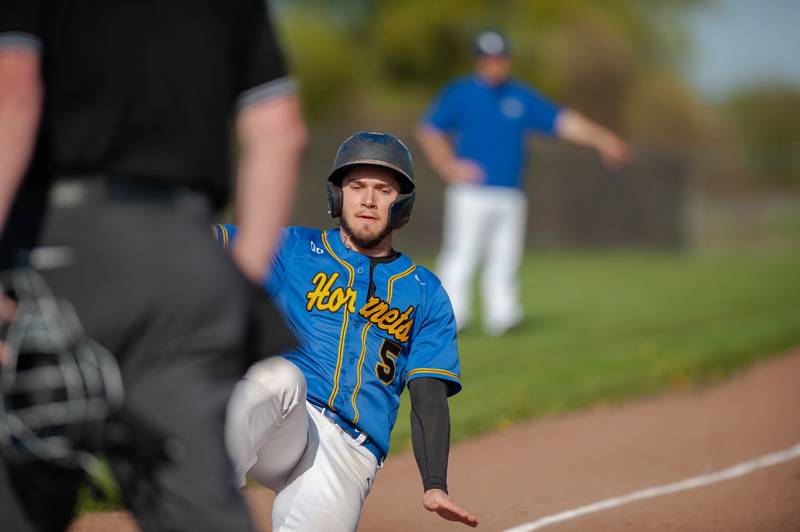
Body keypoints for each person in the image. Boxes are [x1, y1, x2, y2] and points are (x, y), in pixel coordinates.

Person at [0, 1, 306, 531]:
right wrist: (243, 280)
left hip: (58, 245)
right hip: (187, 260)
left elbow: (13, 91)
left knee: (20, 485)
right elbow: (280, 132)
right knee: (199, 507)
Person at [215, 131, 479, 531]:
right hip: (284, 417)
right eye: (357, 187)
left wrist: (435, 484)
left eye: (383, 189)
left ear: (401, 204)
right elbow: (205, 241)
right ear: (338, 196)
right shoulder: (293, 247)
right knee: (277, 376)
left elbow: (428, 394)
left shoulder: (425, 292)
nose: (369, 200)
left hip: (348, 450)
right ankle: (204, 495)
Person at [417, 29, 633, 336]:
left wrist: (603, 139)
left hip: (510, 191)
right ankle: (451, 317)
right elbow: (430, 129)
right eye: (488, 58)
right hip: (471, 192)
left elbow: (562, 121)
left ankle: (503, 318)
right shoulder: (461, 92)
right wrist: (446, 164)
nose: (495, 64)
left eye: (500, 57)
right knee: (461, 255)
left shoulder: (519, 96)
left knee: (506, 258)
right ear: (478, 60)